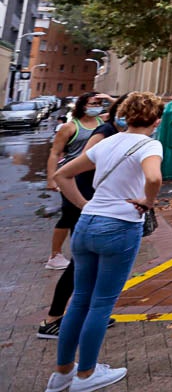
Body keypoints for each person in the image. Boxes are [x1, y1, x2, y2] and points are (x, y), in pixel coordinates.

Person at [43, 92, 164, 392]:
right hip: (120, 226)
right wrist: (149, 201)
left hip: (87, 224)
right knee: (101, 304)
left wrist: (85, 205)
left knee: (80, 299)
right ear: (156, 120)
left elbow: (62, 174)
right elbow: (153, 177)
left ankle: (62, 374)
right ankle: (86, 375)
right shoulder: (150, 144)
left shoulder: (107, 141)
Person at [37, 95, 125, 340]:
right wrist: (83, 203)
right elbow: (70, 164)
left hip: (91, 198)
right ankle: (53, 319)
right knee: (82, 261)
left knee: (91, 261)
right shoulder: (101, 131)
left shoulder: (106, 125)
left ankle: (89, 314)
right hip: (82, 197)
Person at [45, 93, 113, 269]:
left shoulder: (103, 121)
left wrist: (109, 99)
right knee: (69, 214)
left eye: (99, 103)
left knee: (86, 212)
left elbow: (121, 109)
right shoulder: (70, 127)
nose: (97, 106)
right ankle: (55, 255)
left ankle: (81, 253)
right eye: (93, 103)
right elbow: (55, 153)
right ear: (83, 105)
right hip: (72, 175)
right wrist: (51, 179)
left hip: (93, 175)